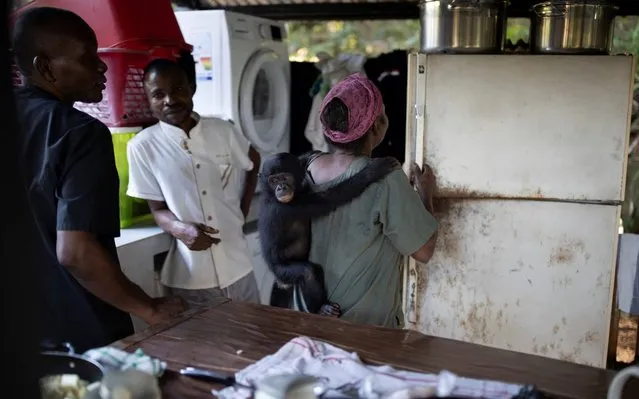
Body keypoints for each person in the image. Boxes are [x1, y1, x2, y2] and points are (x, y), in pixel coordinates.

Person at [11, 7, 186, 351]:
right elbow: (75, 253)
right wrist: (149, 308)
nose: (102, 65)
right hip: (81, 333)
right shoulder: (79, 133)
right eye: (88, 57)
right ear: (45, 67)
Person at [304, 73, 438, 328]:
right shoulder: (384, 178)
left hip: (309, 325)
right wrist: (425, 194)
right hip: (364, 332)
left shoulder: (306, 169)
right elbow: (424, 249)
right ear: (376, 127)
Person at [126, 58, 261, 307]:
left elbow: (253, 161)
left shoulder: (222, 131)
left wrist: (240, 213)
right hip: (192, 275)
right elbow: (157, 210)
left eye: (177, 89)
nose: (170, 100)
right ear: (148, 99)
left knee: (256, 341)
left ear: (191, 88)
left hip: (238, 265)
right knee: (202, 344)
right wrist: (179, 229)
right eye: (158, 94)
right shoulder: (142, 146)